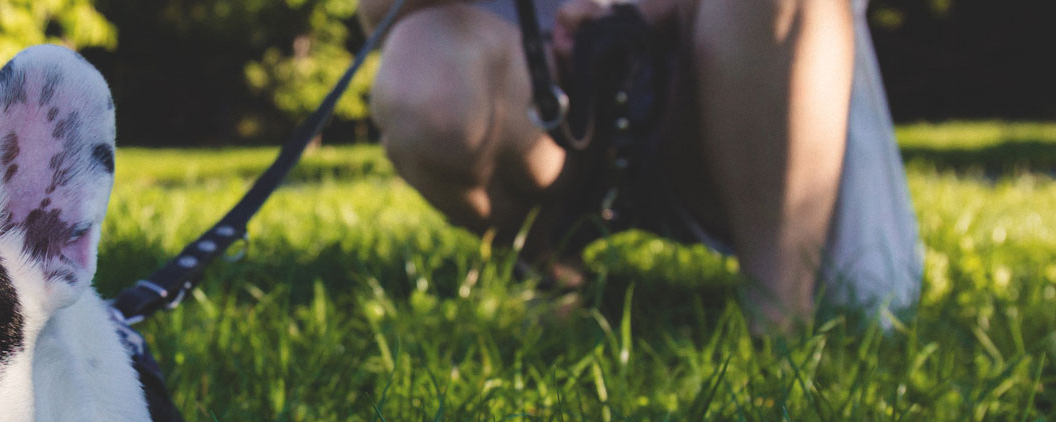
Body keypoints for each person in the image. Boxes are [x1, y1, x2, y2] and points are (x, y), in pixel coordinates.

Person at [359, 0, 922, 331]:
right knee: (422, 72)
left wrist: (621, 12)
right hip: (550, 93)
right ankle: (547, 259)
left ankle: (779, 320)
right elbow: (383, 15)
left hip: (734, 78)